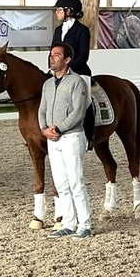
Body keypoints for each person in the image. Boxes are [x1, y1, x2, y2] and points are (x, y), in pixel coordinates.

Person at [39, 42, 92, 239]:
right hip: (53, 139)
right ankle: (69, 223)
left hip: (71, 137)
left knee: (76, 182)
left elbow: (78, 112)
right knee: (61, 184)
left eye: (56, 55)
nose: (51, 58)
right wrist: (44, 129)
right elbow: (42, 109)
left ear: (67, 59)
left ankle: (85, 224)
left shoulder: (77, 82)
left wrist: (59, 128)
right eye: (51, 54)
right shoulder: (47, 84)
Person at [52, 0, 95, 150]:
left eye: (59, 10)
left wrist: (66, 69)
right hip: (59, 72)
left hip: (79, 71)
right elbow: (53, 52)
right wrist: (53, 67)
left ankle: (89, 136)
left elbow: (83, 56)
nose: (56, 12)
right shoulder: (58, 30)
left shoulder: (82, 30)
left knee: (86, 102)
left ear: (69, 11)